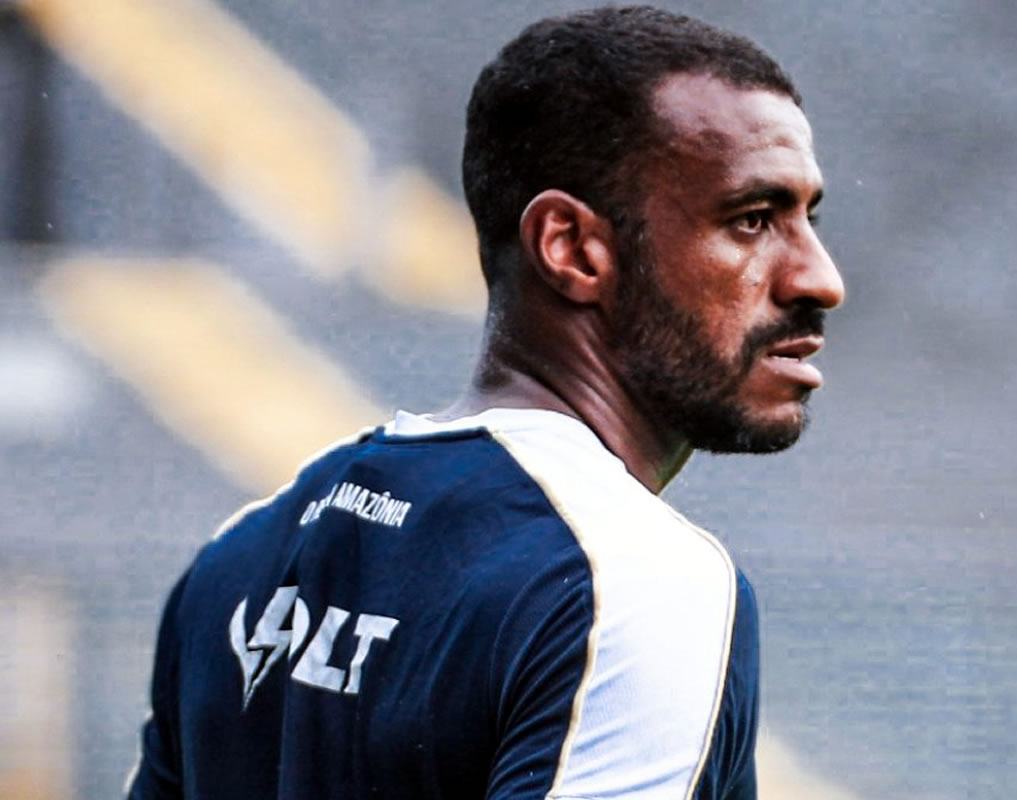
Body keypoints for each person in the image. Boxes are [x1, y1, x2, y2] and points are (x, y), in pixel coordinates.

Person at [126, 5, 844, 799]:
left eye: (807, 220)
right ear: (572, 248)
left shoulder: (242, 556)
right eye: (751, 220)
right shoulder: (631, 587)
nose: (820, 279)